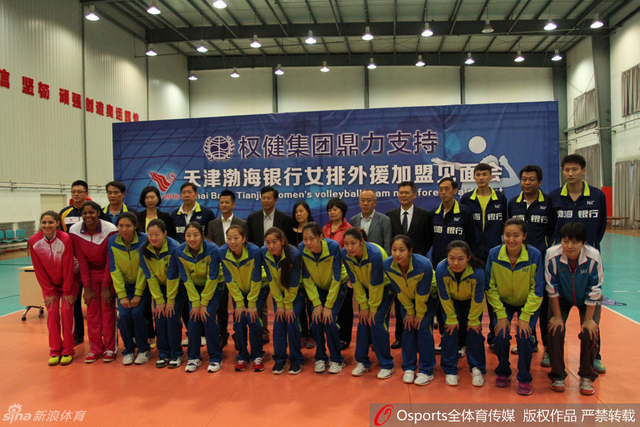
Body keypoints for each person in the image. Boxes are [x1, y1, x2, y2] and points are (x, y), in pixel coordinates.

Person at [548, 153, 607, 374]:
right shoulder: (555, 197)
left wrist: (588, 248)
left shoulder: (597, 196)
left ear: (583, 170)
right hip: (562, 261)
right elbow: (551, 227)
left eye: (574, 169)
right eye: (567, 170)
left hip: (586, 261)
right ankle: (551, 353)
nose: (570, 173)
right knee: (554, 315)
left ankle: (595, 356)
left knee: (591, 319)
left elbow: (600, 226)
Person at [485, 218, 544, 396]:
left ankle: (524, 377)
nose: (511, 240)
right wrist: (501, 315)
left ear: (524, 236)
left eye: (516, 235)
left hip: (527, 303)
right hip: (503, 303)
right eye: (507, 235)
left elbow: (537, 289)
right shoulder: (494, 254)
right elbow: (490, 287)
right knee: (501, 334)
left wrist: (525, 317)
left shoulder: (534, 255)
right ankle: (503, 370)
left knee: (524, 335)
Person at [545, 222, 603, 396]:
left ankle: (586, 376)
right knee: (554, 329)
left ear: (583, 243)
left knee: (590, 332)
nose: (569, 246)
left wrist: (588, 320)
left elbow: (595, 289)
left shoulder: (594, 257)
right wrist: (557, 316)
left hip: (587, 299)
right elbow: (551, 287)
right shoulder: (551, 255)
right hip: (561, 298)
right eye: (565, 241)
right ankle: (557, 376)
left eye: (575, 242)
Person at [508, 165, 554, 363]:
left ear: (540, 182)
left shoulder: (549, 203)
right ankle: (529, 341)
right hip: (519, 263)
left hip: (542, 261)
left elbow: (553, 230)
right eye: (524, 179)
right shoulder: (513, 203)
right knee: (524, 302)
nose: (527, 183)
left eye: (531, 179)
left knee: (543, 306)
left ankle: (549, 348)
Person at [461, 163, 508, 349]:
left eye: (484, 174)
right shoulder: (466, 199)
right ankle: (473, 338)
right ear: (474, 177)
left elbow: (504, 226)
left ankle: (495, 338)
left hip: (494, 254)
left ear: (491, 176)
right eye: (478, 174)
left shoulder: (500, 198)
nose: (481, 178)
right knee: (475, 297)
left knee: (495, 296)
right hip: (473, 254)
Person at [383, 235, 438, 386]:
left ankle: (427, 370)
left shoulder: (424, 265)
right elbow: (399, 290)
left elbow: (423, 292)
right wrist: (410, 311)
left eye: (402, 250)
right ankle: (409, 367)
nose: (397, 254)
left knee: (423, 328)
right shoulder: (388, 265)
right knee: (407, 327)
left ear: (410, 251)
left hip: (428, 296)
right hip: (406, 297)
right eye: (394, 249)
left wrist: (418, 314)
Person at [386, 181, 434, 350]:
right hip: (398, 265)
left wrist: (417, 255)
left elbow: (429, 238)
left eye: (407, 192)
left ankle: (420, 336)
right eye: (401, 192)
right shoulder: (390, 215)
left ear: (414, 194)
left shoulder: (425, 215)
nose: (403, 195)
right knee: (401, 301)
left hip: (418, 265)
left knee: (421, 300)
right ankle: (400, 337)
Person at [68, 201, 118, 363]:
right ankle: (95, 349)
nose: (88, 216)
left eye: (91, 212)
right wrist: (87, 288)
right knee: (92, 313)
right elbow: (82, 261)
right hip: (89, 274)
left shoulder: (110, 229)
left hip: (107, 273)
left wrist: (106, 287)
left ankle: (110, 348)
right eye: (85, 213)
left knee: (107, 311)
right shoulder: (75, 231)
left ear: (98, 213)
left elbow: (110, 259)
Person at [342, 228, 395, 379]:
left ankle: (387, 364)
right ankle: (362, 361)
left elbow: (376, 283)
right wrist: (364, 306)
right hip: (365, 288)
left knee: (376, 320)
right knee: (363, 320)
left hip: (385, 287)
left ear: (362, 242)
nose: (349, 247)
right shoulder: (345, 254)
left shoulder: (375, 254)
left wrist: (372, 308)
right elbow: (354, 280)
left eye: (353, 243)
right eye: (346, 244)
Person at [246, 186, 295, 343]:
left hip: (278, 266)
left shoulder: (284, 219)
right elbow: (249, 242)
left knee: (278, 299)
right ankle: (263, 333)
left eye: (268, 198)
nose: (265, 201)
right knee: (260, 303)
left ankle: (285, 335)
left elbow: (288, 244)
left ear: (275, 200)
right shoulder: (252, 218)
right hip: (258, 266)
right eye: (263, 198)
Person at [431, 177, 474, 355]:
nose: (443, 192)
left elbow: (471, 238)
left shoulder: (465, 212)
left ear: (455, 191)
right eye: (440, 189)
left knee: (461, 307)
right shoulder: (434, 213)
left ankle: (462, 343)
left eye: (447, 189)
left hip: (460, 268)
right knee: (442, 305)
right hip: (440, 267)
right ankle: (446, 338)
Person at [435, 240, 486, 387]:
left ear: (468, 257)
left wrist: (474, 320)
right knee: (450, 330)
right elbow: (444, 295)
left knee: (474, 331)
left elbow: (478, 298)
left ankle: (477, 368)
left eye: (460, 258)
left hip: (471, 302)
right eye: (451, 258)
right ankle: (450, 369)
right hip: (451, 302)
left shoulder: (478, 272)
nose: (456, 263)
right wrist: (451, 318)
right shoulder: (441, 269)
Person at [299, 222, 348, 374]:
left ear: (321, 237)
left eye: (312, 238)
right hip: (317, 289)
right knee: (315, 321)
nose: (308, 243)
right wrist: (317, 303)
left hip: (336, 286)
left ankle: (337, 359)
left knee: (329, 320)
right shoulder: (302, 248)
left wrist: (328, 305)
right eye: (305, 239)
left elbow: (336, 277)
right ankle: (320, 357)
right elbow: (306, 278)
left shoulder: (333, 247)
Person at [170, 182, 215, 346]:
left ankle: (205, 335)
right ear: (180, 195)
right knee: (185, 302)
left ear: (196, 194)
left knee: (206, 304)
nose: (187, 195)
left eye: (190, 192)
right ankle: (191, 333)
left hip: (202, 261)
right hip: (183, 262)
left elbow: (210, 236)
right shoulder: (174, 214)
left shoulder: (206, 213)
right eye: (184, 192)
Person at [29, 211, 76, 366]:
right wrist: (48, 291)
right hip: (50, 286)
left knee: (67, 312)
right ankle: (55, 350)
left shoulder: (65, 239)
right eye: (44, 222)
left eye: (50, 222)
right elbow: (38, 269)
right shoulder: (34, 241)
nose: (47, 225)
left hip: (68, 283)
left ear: (57, 223)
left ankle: (68, 350)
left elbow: (68, 266)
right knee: (52, 312)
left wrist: (67, 291)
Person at [219, 225, 269, 372]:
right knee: (239, 319)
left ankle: (257, 355)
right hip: (239, 291)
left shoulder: (254, 251)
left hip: (258, 289)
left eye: (236, 238)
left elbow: (256, 277)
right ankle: (242, 355)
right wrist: (239, 303)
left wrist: (252, 303)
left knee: (253, 318)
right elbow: (229, 279)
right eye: (229, 238)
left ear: (244, 239)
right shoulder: (222, 252)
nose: (232, 241)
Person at [174, 222, 223, 373]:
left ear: (201, 235)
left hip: (213, 285)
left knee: (207, 316)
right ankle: (194, 356)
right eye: (188, 235)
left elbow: (212, 277)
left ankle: (215, 357)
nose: (192, 238)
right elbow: (186, 278)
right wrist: (196, 302)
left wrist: (204, 303)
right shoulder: (179, 251)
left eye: (195, 235)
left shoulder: (212, 249)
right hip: (194, 288)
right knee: (193, 318)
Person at [139, 218, 186, 369]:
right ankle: (163, 353)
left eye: (157, 234)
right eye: (150, 234)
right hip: (159, 287)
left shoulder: (174, 248)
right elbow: (150, 276)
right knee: (159, 318)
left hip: (176, 287)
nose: (153, 238)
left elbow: (173, 275)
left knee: (171, 317)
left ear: (164, 233)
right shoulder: (144, 250)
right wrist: (159, 300)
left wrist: (170, 301)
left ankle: (176, 354)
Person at [108, 212, 151, 365]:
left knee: (137, 314)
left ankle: (144, 349)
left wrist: (138, 293)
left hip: (142, 285)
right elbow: (114, 269)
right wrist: (122, 295)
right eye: (120, 226)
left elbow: (143, 267)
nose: (124, 229)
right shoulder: (112, 241)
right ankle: (128, 350)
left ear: (135, 226)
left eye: (128, 226)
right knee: (124, 315)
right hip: (124, 287)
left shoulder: (144, 239)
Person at [206, 190, 246, 349]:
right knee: (220, 306)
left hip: (236, 271)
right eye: (221, 202)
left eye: (227, 202)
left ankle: (238, 334)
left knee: (237, 304)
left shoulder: (242, 223)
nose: (224, 205)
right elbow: (210, 247)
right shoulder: (212, 224)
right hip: (219, 271)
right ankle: (222, 334)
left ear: (233, 204)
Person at [262, 227, 304, 375]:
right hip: (278, 294)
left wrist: (288, 304)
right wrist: (279, 304)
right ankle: (279, 359)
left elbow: (294, 282)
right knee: (279, 322)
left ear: (282, 241)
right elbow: (271, 280)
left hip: (295, 293)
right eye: (268, 242)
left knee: (291, 321)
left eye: (274, 242)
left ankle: (296, 359)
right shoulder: (264, 253)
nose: (271, 246)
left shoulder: (294, 254)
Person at [59, 179, 91, 346]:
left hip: (91, 262)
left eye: (79, 191)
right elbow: (61, 236)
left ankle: (98, 334)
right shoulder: (65, 213)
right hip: (73, 263)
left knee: (94, 300)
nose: (76, 194)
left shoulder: (92, 211)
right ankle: (78, 335)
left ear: (86, 193)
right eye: (73, 192)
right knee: (75, 301)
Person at [322, 198, 354, 350]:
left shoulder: (349, 229)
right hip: (328, 274)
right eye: (330, 209)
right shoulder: (324, 229)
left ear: (342, 211)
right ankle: (333, 336)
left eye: (335, 209)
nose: (332, 212)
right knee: (331, 306)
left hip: (345, 273)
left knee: (345, 307)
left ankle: (345, 338)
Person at [291, 201, 315, 350]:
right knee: (299, 307)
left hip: (312, 273)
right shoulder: (290, 230)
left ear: (308, 212)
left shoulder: (314, 229)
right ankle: (303, 333)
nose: (298, 214)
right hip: (296, 274)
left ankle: (313, 334)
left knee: (311, 305)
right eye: (296, 211)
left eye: (301, 211)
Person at [349, 188, 393, 254]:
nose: (365, 203)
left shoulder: (384, 220)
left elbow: (387, 246)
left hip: (378, 257)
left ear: (375, 202)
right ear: (359, 202)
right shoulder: (354, 220)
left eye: (369, 200)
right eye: (363, 200)